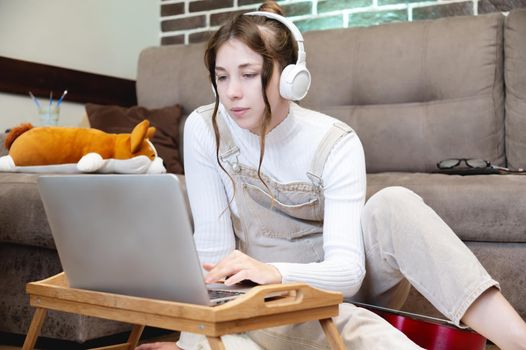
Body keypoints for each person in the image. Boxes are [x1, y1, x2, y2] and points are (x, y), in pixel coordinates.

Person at [136, 1, 526, 349]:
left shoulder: (334, 141)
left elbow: (349, 274)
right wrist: (191, 338)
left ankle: (517, 340)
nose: (232, 92)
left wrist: (274, 271)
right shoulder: (207, 128)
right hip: (263, 300)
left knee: (395, 202)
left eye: (248, 74)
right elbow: (214, 258)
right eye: (222, 77)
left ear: (291, 79)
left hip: (337, 288)